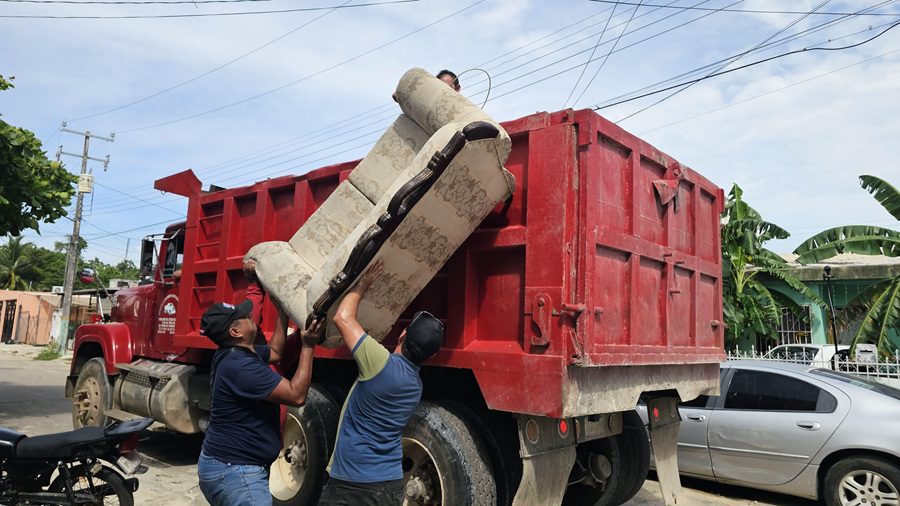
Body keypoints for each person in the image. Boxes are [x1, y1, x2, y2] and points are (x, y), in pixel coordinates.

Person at [318, 261, 445, 505]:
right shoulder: (415, 385)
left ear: (402, 335)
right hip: (388, 485)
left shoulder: (380, 364)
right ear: (431, 356)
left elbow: (342, 318)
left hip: (352, 484)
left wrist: (362, 285)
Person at [197, 260, 323, 506]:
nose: (250, 316)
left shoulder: (235, 352)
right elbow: (297, 395)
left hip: (232, 468)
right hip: (237, 473)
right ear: (235, 332)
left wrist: (283, 312)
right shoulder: (241, 367)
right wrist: (308, 346)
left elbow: (275, 352)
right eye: (245, 317)